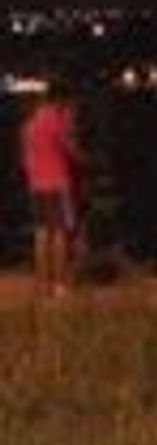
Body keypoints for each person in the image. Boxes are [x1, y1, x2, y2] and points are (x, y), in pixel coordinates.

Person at [21, 87, 83, 298]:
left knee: (41, 234)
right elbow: (70, 149)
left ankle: (42, 285)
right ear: (60, 100)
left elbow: (26, 158)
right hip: (57, 184)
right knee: (59, 234)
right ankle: (59, 284)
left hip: (35, 184)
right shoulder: (58, 121)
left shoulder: (29, 125)